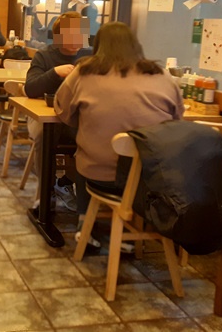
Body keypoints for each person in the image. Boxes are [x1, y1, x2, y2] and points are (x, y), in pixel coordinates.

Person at [54, 21, 184, 248]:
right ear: (136, 45)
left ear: (98, 46)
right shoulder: (162, 76)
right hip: (151, 179)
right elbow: (177, 121)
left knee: (83, 154)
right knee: (128, 166)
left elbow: (63, 111)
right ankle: (127, 233)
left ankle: (85, 225)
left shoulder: (84, 72)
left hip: (100, 174)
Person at [23, 11, 91, 212]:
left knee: (99, 138)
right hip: (45, 118)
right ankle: (45, 193)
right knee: (44, 135)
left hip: (78, 118)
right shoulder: (44, 56)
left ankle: (71, 186)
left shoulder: (90, 56)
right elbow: (30, 89)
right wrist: (54, 73)